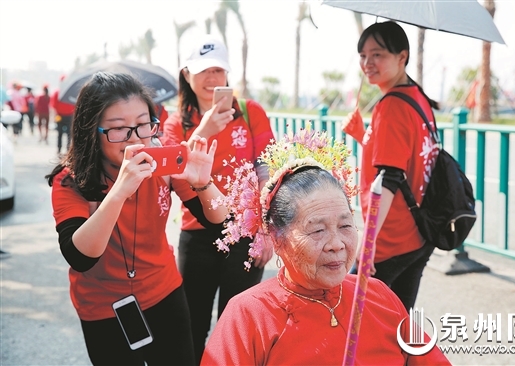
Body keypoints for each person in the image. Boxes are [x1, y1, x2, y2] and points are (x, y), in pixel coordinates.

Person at [200, 128, 450, 365]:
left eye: (345, 226)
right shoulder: (249, 315)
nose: (336, 244)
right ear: (277, 238)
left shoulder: (378, 294)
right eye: (317, 230)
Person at [46, 72, 228, 365]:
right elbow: (80, 257)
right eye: (119, 129)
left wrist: (204, 183)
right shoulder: (70, 181)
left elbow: (220, 221)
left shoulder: (161, 162)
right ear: (92, 131)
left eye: (144, 125)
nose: (135, 139)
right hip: (103, 306)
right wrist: (119, 191)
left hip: (164, 291)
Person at [160, 33, 275, 362]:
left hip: (246, 234)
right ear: (186, 74)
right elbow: (175, 173)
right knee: (192, 325)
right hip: (197, 235)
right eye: (203, 70)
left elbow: (268, 169)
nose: (212, 78)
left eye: (218, 70)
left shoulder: (250, 112)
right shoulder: (175, 124)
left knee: (238, 326)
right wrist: (203, 132)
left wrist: (265, 230)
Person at [342, 21, 440, 311]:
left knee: (357, 330)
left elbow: (389, 178)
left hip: (389, 243)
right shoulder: (417, 98)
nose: (367, 63)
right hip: (417, 236)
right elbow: (401, 159)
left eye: (377, 55)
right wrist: (364, 136)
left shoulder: (392, 106)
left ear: (402, 56)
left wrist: (367, 247)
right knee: (396, 329)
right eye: (363, 55)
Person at [50, 75, 75, 155]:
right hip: (62, 116)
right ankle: (62, 149)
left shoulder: (58, 91)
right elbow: (53, 106)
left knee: (65, 134)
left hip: (66, 116)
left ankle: (64, 149)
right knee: (63, 134)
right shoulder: (58, 92)